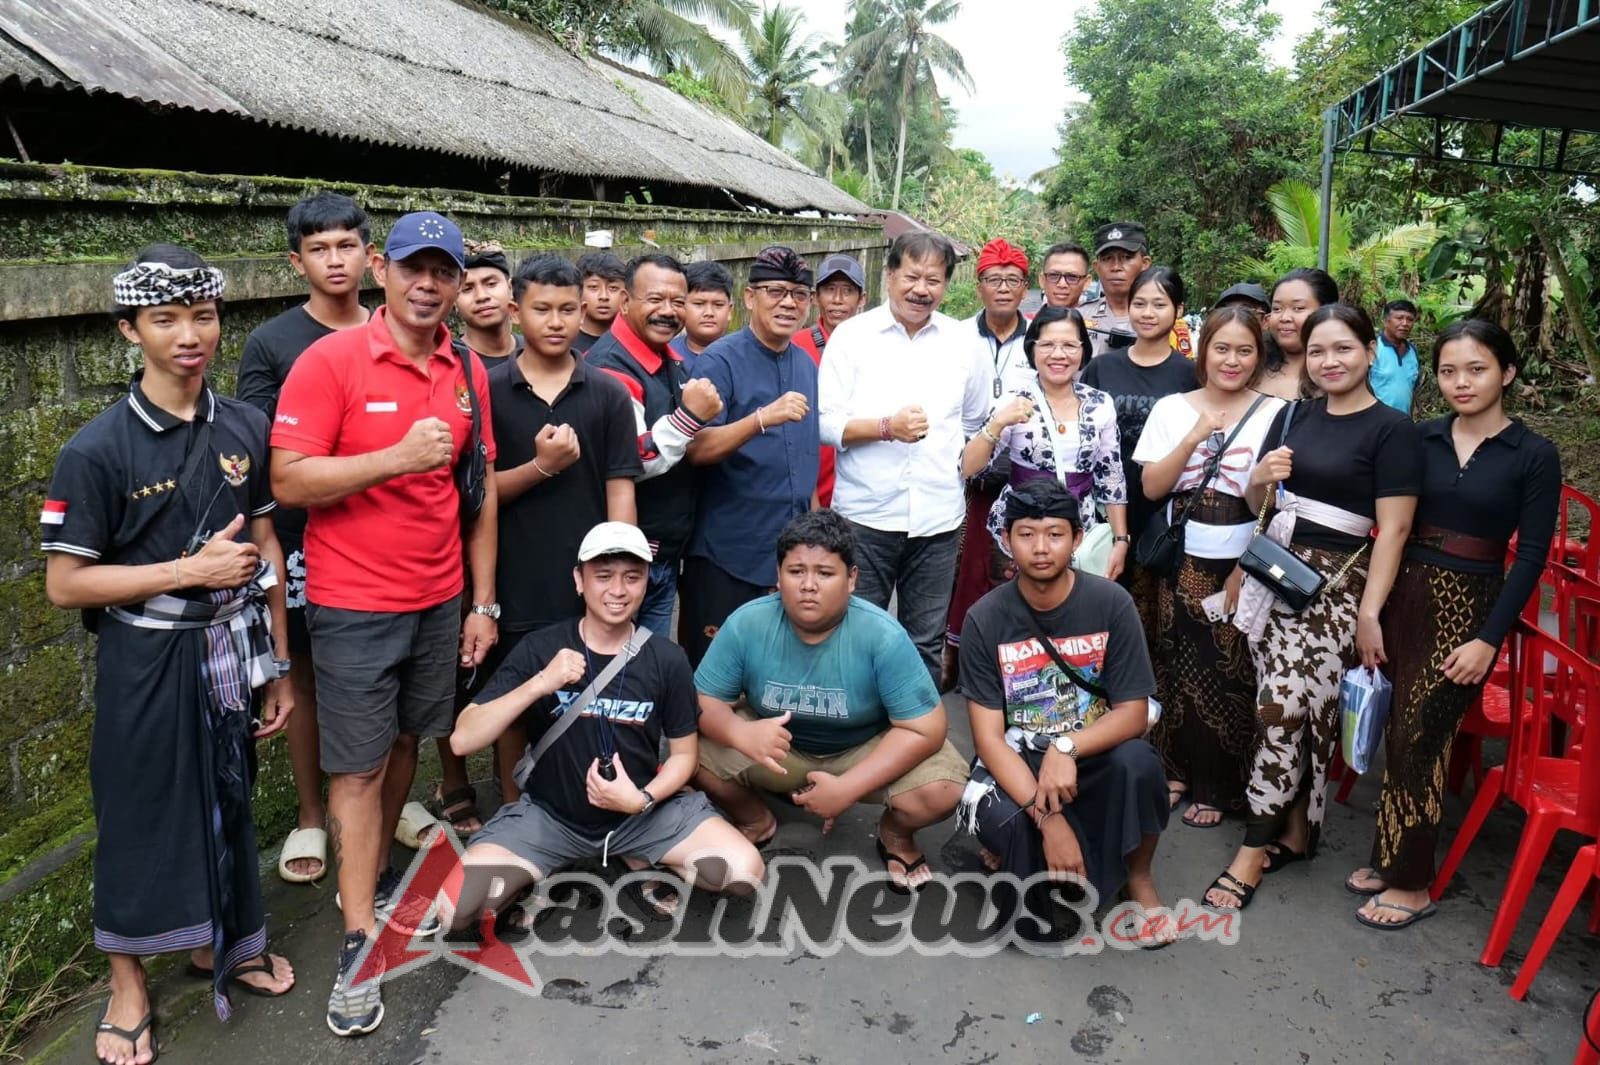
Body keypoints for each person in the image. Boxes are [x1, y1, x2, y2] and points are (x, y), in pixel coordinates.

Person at [45, 245, 297, 1064]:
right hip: (146, 658)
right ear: (129, 329)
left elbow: (265, 545)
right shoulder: (96, 449)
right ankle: (126, 982)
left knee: (230, 798)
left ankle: (221, 942)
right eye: (166, 319)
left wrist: (279, 666)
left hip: (234, 649)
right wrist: (186, 571)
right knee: (139, 814)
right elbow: (66, 585)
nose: (190, 334)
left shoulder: (243, 424)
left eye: (204, 314)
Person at [270, 211, 500, 1036]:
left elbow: (478, 494)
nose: (429, 283)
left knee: (407, 744)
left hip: (440, 601)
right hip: (355, 604)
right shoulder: (327, 362)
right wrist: (397, 456)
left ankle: (365, 879)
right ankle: (359, 936)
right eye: (414, 267)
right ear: (380, 267)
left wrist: (481, 602)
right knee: (359, 770)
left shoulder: (465, 368)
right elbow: (289, 481)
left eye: (445, 270)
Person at [440, 522, 765, 933]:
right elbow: (463, 738)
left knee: (743, 872)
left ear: (647, 582)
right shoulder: (542, 648)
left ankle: (641, 855)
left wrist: (642, 799)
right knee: (456, 910)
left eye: (632, 577)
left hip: (641, 813)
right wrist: (541, 683)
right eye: (603, 576)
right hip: (550, 815)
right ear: (579, 581)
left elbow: (685, 756)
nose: (618, 590)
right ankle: (541, 866)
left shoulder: (666, 659)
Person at [1205, 304, 1419, 912]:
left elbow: (1394, 530)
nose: (1330, 361)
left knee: (1285, 706)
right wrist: (1260, 476)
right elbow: (1255, 499)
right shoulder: (1293, 414)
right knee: (1283, 698)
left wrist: (1370, 611)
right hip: (1274, 569)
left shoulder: (1391, 429)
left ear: (1371, 351)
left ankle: (1253, 846)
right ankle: (1297, 829)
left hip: (1335, 586)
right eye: (1319, 350)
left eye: (1344, 349)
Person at [1349, 319, 1560, 929]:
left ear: (1508, 373)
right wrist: (1373, 610)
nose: (1461, 382)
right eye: (1448, 371)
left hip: (1471, 602)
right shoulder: (1424, 439)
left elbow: (1531, 556)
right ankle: (1391, 857)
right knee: (1397, 727)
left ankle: (1413, 884)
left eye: (1477, 369)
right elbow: (1393, 525)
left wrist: (1489, 638)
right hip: (1407, 591)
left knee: (1422, 734)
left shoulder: (1533, 454)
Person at [456, 253, 643, 825]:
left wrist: (621, 576)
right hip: (514, 578)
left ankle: (592, 809)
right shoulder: (487, 391)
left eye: (569, 309)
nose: (557, 322)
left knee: (593, 699)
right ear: (517, 311)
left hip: (585, 581)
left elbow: (621, 490)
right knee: (512, 707)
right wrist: (483, 599)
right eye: (542, 309)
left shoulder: (607, 393)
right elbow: (478, 498)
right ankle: (517, 816)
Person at [694, 510, 968, 891]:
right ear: (778, 575)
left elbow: (927, 728)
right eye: (796, 572)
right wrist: (739, 732)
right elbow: (704, 700)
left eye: (825, 573)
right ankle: (756, 818)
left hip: (863, 748)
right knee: (687, 750)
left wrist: (848, 789)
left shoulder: (881, 634)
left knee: (945, 789)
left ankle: (896, 835)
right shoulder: (747, 623)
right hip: (778, 748)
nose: (809, 585)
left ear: (851, 578)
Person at [956, 482, 1172, 947]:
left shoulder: (1111, 604)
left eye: (1054, 534)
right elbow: (990, 741)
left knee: (1141, 764)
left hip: (1088, 753)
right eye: (1026, 534)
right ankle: (1043, 852)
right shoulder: (984, 619)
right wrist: (1047, 819)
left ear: (1077, 539)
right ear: (1007, 540)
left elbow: (1133, 713)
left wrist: (1066, 745)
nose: (1040, 548)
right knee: (1008, 827)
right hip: (1017, 758)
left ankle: (1139, 877)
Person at [236, 192, 372, 887]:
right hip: (300, 536)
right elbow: (261, 447)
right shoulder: (273, 343)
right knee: (307, 673)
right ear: (297, 262)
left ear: (369, 255)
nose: (334, 259)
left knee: (383, 673)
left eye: (346, 245)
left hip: (383, 533)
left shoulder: (393, 327)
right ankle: (313, 811)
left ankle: (383, 801)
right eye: (319, 249)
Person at [817, 232, 994, 684]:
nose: (921, 289)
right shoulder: (852, 337)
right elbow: (824, 423)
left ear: (946, 285)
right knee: (854, 633)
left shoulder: (964, 343)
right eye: (911, 276)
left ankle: (918, 741)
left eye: (933, 280)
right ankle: (853, 739)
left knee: (924, 640)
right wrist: (885, 428)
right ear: (889, 275)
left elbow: (974, 421)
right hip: (865, 516)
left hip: (937, 519)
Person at [1134, 306, 1284, 829]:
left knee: (1232, 672)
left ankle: (1220, 785)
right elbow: (1152, 488)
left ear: (1259, 356)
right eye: (1222, 348)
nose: (1232, 360)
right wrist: (1194, 436)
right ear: (1203, 351)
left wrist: (1249, 559)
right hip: (1184, 552)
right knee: (1176, 663)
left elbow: (1275, 502)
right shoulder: (1174, 408)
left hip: (1245, 553)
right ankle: (1174, 770)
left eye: (1245, 350)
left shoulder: (1277, 412)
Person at [680, 246, 820, 666]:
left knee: (776, 665)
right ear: (749, 297)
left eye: (798, 294)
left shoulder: (805, 364)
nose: (788, 303)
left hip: (788, 552)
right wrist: (760, 419)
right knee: (715, 669)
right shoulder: (719, 361)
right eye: (776, 291)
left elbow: (804, 455)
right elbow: (694, 447)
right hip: (728, 551)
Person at [586, 253, 724, 635]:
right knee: (619, 665)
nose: (668, 311)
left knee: (647, 664)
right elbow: (631, 458)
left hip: (661, 553)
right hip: (624, 561)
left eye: (678, 302)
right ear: (626, 301)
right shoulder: (612, 367)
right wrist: (690, 417)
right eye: (655, 300)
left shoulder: (668, 357)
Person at [960, 306, 1129, 578]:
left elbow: (1111, 477)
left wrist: (1120, 540)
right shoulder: (1014, 400)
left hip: (1078, 532)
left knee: (1075, 616)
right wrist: (998, 423)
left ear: (1084, 349)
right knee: (1015, 615)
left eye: (1070, 345)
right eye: (1048, 344)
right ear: (1032, 349)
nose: (1059, 354)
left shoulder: (1100, 404)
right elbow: (968, 468)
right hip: (1018, 531)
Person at [1079, 266, 1198, 639]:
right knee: (1095, 607)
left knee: (1150, 620)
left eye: (1159, 304)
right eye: (1140, 303)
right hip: (1102, 510)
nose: (1148, 313)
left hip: (1160, 513)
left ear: (1178, 310)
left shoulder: (1190, 375)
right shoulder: (1101, 367)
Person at [941, 238, 1039, 690]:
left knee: (1011, 568)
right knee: (960, 567)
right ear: (978, 285)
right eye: (993, 279)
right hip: (962, 469)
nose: (1003, 288)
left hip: (1020, 472)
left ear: (1025, 287)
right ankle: (953, 657)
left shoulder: (1041, 337)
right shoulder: (954, 336)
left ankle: (1010, 667)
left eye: (1012, 280)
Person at [794, 253, 867, 509]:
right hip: (811, 490)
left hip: (864, 496)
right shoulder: (796, 347)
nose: (837, 300)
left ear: (862, 299)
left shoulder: (877, 348)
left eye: (847, 291)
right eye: (829, 290)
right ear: (815, 298)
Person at [1260, 268, 1339, 401]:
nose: (1284, 318)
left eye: (1298, 308)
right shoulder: (1252, 367)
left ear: (1327, 311)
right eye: (1277, 309)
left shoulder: (1340, 375)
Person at [455, 240, 523, 369]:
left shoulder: (537, 353)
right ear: (454, 300)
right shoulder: (447, 364)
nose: (481, 296)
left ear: (511, 288)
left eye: (491, 284)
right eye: (467, 289)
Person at [670, 260, 734, 370]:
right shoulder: (667, 354)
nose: (709, 313)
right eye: (699, 304)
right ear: (682, 307)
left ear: (729, 311)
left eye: (718, 305)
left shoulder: (745, 356)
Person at [1371, 298, 1421, 415]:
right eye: (1399, 318)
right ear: (1386, 321)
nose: (1405, 324)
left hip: (1402, 423)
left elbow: (1411, 390)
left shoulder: (1412, 352)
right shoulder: (1373, 349)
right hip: (1374, 424)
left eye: (1410, 319)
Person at [572, 251, 626, 355]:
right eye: (593, 287)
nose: (604, 297)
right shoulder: (565, 340)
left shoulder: (632, 341)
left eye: (613, 288)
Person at [1039, 242, 1093, 310]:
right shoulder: (1031, 320)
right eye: (1054, 275)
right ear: (1042, 280)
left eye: (1072, 277)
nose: (1062, 284)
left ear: (1086, 282)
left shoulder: (1097, 320)